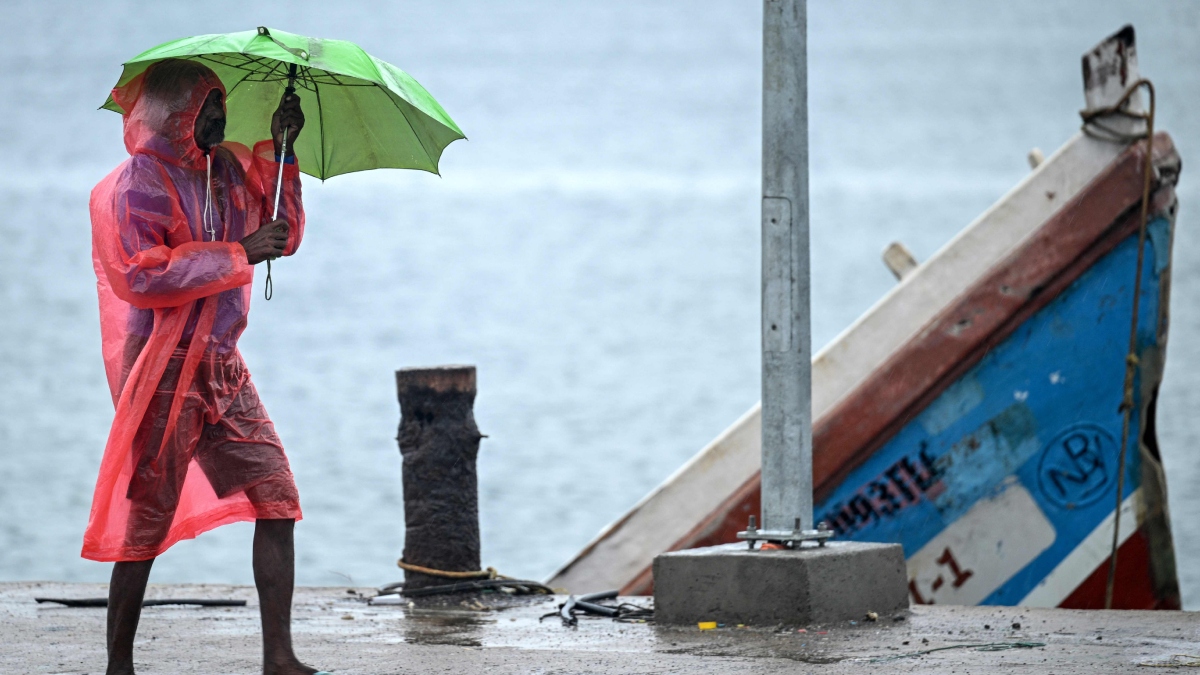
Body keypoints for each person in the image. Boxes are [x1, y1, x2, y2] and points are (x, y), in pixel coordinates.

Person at [85, 58, 321, 675]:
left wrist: (285, 154)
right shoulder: (139, 182)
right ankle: (118, 665)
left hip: (222, 366)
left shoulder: (224, 173)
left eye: (219, 105)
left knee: (277, 498)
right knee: (146, 519)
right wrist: (237, 252)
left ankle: (279, 658)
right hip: (165, 368)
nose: (219, 117)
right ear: (175, 115)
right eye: (207, 106)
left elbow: (281, 235)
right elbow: (143, 273)